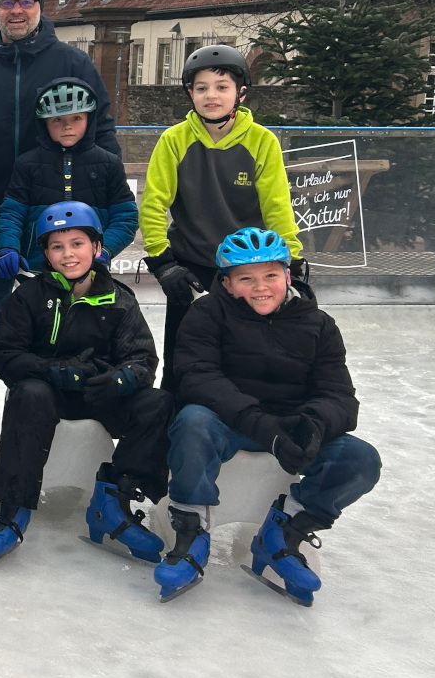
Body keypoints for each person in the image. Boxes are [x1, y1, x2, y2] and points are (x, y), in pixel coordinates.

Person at [154, 228, 379, 606]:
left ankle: (285, 532)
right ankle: (191, 532)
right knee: (192, 423)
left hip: (291, 427)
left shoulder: (319, 324)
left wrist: (312, 425)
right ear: (227, 283)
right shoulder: (206, 313)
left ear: (288, 276)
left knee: (360, 459)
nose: (260, 287)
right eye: (246, 278)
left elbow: (339, 395)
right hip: (228, 423)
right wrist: (260, 424)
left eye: (270, 275)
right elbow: (197, 378)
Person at [0, 0, 121, 431]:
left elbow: (102, 130)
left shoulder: (72, 63)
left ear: (40, 7)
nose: (17, 9)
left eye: (26, 0)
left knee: (63, 307)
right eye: (7, 1)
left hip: (59, 203)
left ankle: (56, 396)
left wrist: (101, 194)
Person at [0, 202, 171, 565]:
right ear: (46, 253)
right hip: (47, 393)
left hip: (100, 394)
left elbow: (143, 360)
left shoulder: (120, 300)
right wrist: (52, 370)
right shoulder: (28, 297)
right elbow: (5, 355)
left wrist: (120, 379)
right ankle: (13, 507)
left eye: (77, 244)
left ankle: (113, 501)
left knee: (157, 403)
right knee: (29, 392)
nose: (68, 254)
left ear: (96, 247)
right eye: (57, 246)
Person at [141, 44, 301, 394]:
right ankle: (174, 413)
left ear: (240, 93)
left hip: (246, 266)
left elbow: (277, 206)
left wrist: (294, 259)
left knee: (243, 352)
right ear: (190, 94)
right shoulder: (174, 140)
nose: (211, 95)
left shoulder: (262, 141)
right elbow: (153, 204)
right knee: (182, 353)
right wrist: (162, 261)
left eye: (221, 86)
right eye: (201, 88)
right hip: (191, 265)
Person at [0, 78, 137, 279]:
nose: (67, 126)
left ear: (89, 119)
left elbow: (126, 217)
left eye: (76, 118)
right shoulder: (27, 164)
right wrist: (8, 246)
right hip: (37, 270)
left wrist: (104, 250)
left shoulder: (109, 163)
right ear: (44, 123)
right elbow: (11, 213)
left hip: (90, 270)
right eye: (57, 119)